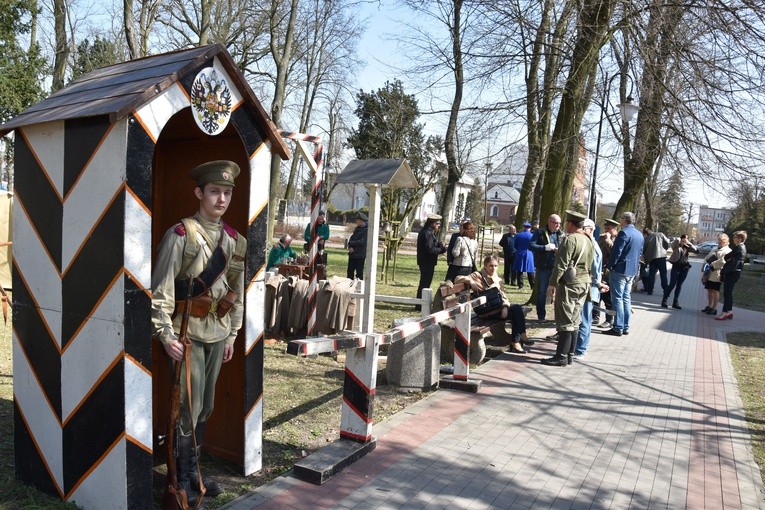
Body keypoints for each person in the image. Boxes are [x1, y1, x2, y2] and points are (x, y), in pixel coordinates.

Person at [151, 160, 247, 499]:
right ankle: (181, 480)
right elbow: (161, 289)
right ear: (199, 193)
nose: (221, 199)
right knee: (186, 408)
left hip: (217, 334)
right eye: (214, 192)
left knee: (205, 406)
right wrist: (165, 335)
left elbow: (237, 293)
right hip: (186, 335)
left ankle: (194, 473)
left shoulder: (235, 240)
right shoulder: (182, 235)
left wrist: (233, 334)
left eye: (227, 193)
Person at [541, 210, 594, 366]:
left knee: (565, 319)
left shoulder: (571, 240)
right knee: (575, 319)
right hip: (584, 283)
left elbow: (561, 264)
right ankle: (570, 354)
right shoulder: (588, 239)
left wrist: (552, 284)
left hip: (570, 284)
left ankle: (561, 356)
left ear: (570, 224)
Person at [456, 255, 533, 353]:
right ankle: (519, 339)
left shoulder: (497, 278)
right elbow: (458, 279)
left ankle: (516, 341)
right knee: (517, 312)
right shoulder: (477, 275)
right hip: (485, 310)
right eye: (491, 266)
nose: (494, 268)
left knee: (517, 310)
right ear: (485, 266)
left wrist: (505, 307)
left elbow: (503, 295)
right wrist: (470, 281)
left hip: (497, 308)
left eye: (496, 266)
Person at [603, 212, 643, 337]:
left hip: (620, 270)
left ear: (625, 220)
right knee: (626, 299)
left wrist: (610, 265)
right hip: (631, 271)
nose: (620, 221)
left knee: (618, 299)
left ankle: (618, 327)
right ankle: (625, 326)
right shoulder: (639, 234)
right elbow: (640, 252)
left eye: (621, 218)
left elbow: (616, 251)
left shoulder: (623, 233)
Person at [574, 218, 608, 359]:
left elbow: (593, 269)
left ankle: (581, 349)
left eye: (583, 228)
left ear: (590, 229)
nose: (581, 230)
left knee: (583, 319)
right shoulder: (592, 244)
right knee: (585, 318)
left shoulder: (591, 246)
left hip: (589, 286)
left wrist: (598, 282)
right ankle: (580, 348)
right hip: (591, 286)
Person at [530, 213, 562, 322]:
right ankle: (541, 316)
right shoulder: (540, 232)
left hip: (557, 267)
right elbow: (531, 246)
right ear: (549, 222)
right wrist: (545, 247)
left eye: (559, 223)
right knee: (542, 291)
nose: (558, 225)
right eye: (555, 223)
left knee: (560, 292)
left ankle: (558, 317)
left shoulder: (560, 234)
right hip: (543, 267)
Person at [416, 214, 447, 309]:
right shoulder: (427, 233)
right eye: (437, 223)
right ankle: (420, 305)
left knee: (425, 283)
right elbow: (430, 249)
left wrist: (439, 244)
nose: (438, 225)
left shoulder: (429, 232)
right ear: (432, 223)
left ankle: (420, 304)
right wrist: (442, 250)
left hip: (427, 261)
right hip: (426, 262)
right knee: (424, 284)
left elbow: (431, 245)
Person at [661, 234, 699, 309]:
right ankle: (664, 300)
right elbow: (673, 243)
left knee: (679, 285)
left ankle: (675, 302)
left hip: (684, 268)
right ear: (680, 240)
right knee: (672, 284)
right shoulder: (676, 246)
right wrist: (680, 240)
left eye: (686, 240)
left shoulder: (688, 247)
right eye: (683, 240)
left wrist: (689, 243)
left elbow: (697, 251)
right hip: (676, 267)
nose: (685, 242)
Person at [594, 218, 619, 329]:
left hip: (609, 271)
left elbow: (614, 253)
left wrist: (608, 240)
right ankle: (595, 316)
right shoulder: (600, 238)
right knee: (596, 294)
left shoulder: (617, 239)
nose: (607, 230)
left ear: (615, 229)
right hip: (599, 270)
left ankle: (609, 319)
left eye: (609, 228)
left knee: (607, 296)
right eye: (606, 228)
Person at [716, 230, 747, 320]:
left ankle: (724, 312)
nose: (733, 239)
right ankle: (729, 311)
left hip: (732, 273)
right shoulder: (739, 247)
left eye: (735, 237)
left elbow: (732, 262)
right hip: (733, 272)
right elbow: (727, 257)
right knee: (728, 292)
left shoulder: (739, 248)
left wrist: (723, 272)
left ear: (740, 239)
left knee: (727, 293)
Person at [702, 233, 731, 316]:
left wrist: (712, 264)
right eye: (719, 240)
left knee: (715, 290)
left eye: (722, 241)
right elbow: (707, 257)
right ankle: (709, 306)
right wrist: (705, 264)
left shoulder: (727, 251)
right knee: (709, 289)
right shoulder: (715, 248)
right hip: (709, 273)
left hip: (717, 273)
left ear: (726, 242)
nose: (719, 242)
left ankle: (714, 308)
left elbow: (723, 261)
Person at [641, 227, 670, 295]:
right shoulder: (660, 234)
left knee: (652, 274)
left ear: (645, 233)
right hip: (661, 257)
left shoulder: (647, 238)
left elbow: (644, 248)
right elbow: (667, 243)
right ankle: (665, 290)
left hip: (652, 258)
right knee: (663, 274)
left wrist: (644, 256)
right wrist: (664, 249)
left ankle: (650, 290)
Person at [513, 222, 536, 288]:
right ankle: (532, 285)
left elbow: (515, 245)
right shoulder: (532, 236)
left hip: (520, 253)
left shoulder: (518, 235)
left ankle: (520, 285)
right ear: (530, 228)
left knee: (519, 270)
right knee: (530, 270)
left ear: (524, 227)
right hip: (529, 253)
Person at [347, 212, 368, 279]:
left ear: (361, 220)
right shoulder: (357, 229)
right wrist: (350, 246)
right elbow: (352, 238)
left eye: (357, 220)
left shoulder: (366, 230)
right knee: (350, 271)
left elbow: (362, 242)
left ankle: (359, 287)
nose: (356, 221)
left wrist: (352, 244)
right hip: (352, 254)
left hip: (360, 254)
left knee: (359, 273)